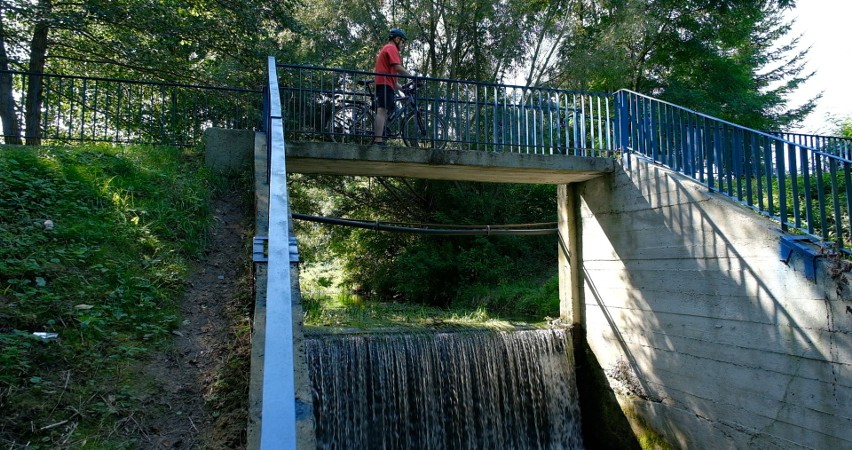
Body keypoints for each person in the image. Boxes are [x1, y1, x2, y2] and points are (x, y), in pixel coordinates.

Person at [372, 28, 413, 146]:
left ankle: (381, 134)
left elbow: (393, 81)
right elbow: (398, 68)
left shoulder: (388, 48)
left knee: (389, 109)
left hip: (386, 83)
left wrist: (404, 89)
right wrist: (413, 78)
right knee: (382, 111)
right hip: (384, 84)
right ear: (397, 39)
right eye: (402, 41)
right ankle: (378, 141)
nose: (403, 44)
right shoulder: (391, 48)